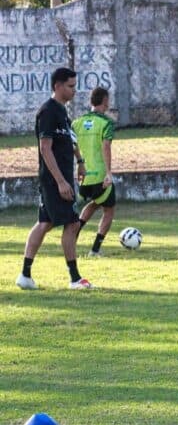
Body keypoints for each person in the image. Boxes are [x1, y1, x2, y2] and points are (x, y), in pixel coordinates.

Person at [16, 67, 93, 290]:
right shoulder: (48, 112)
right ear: (57, 86)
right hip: (53, 180)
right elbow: (45, 148)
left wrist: (80, 161)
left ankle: (25, 275)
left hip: (60, 178)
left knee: (44, 223)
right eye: (70, 86)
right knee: (71, 224)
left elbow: (70, 139)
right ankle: (75, 278)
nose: (74, 91)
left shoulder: (61, 112)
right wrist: (60, 181)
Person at [74, 87, 116, 257]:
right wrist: (109, 173)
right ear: (105, 100)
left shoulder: (76, 123)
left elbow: (72, 146)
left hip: (83, 176)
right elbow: (106, 146)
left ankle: (74, 233)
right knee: (109, 210)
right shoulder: (106, 123)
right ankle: (95, 249)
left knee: (94, 203)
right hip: (100, 176)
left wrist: (78, 165)